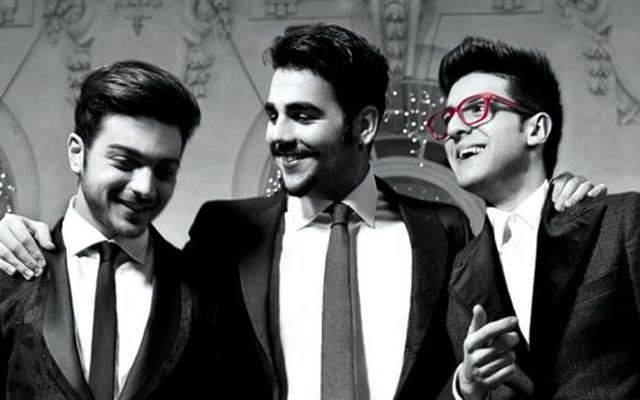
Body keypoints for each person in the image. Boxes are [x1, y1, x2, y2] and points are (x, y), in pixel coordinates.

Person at [0, 25, 602, 400]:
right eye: (273, 115)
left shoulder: (441, 231)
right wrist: (17, 234)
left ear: (364, 126)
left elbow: (492, 357)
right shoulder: (225, 232)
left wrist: (554, 201)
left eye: (303, 116)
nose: (278, 136)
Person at [428, 36, 640, 399]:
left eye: (476, 108)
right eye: (448, 118)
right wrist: (466, 388)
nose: (455, 129)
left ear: (536, 129)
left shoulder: (620, 221)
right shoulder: (457, 272)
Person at [0, 60, 206, 399]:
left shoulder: (202, 291)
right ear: (77, 154)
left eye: (164, 171)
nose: (145, 188)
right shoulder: (11, 270)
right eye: (125, 162)